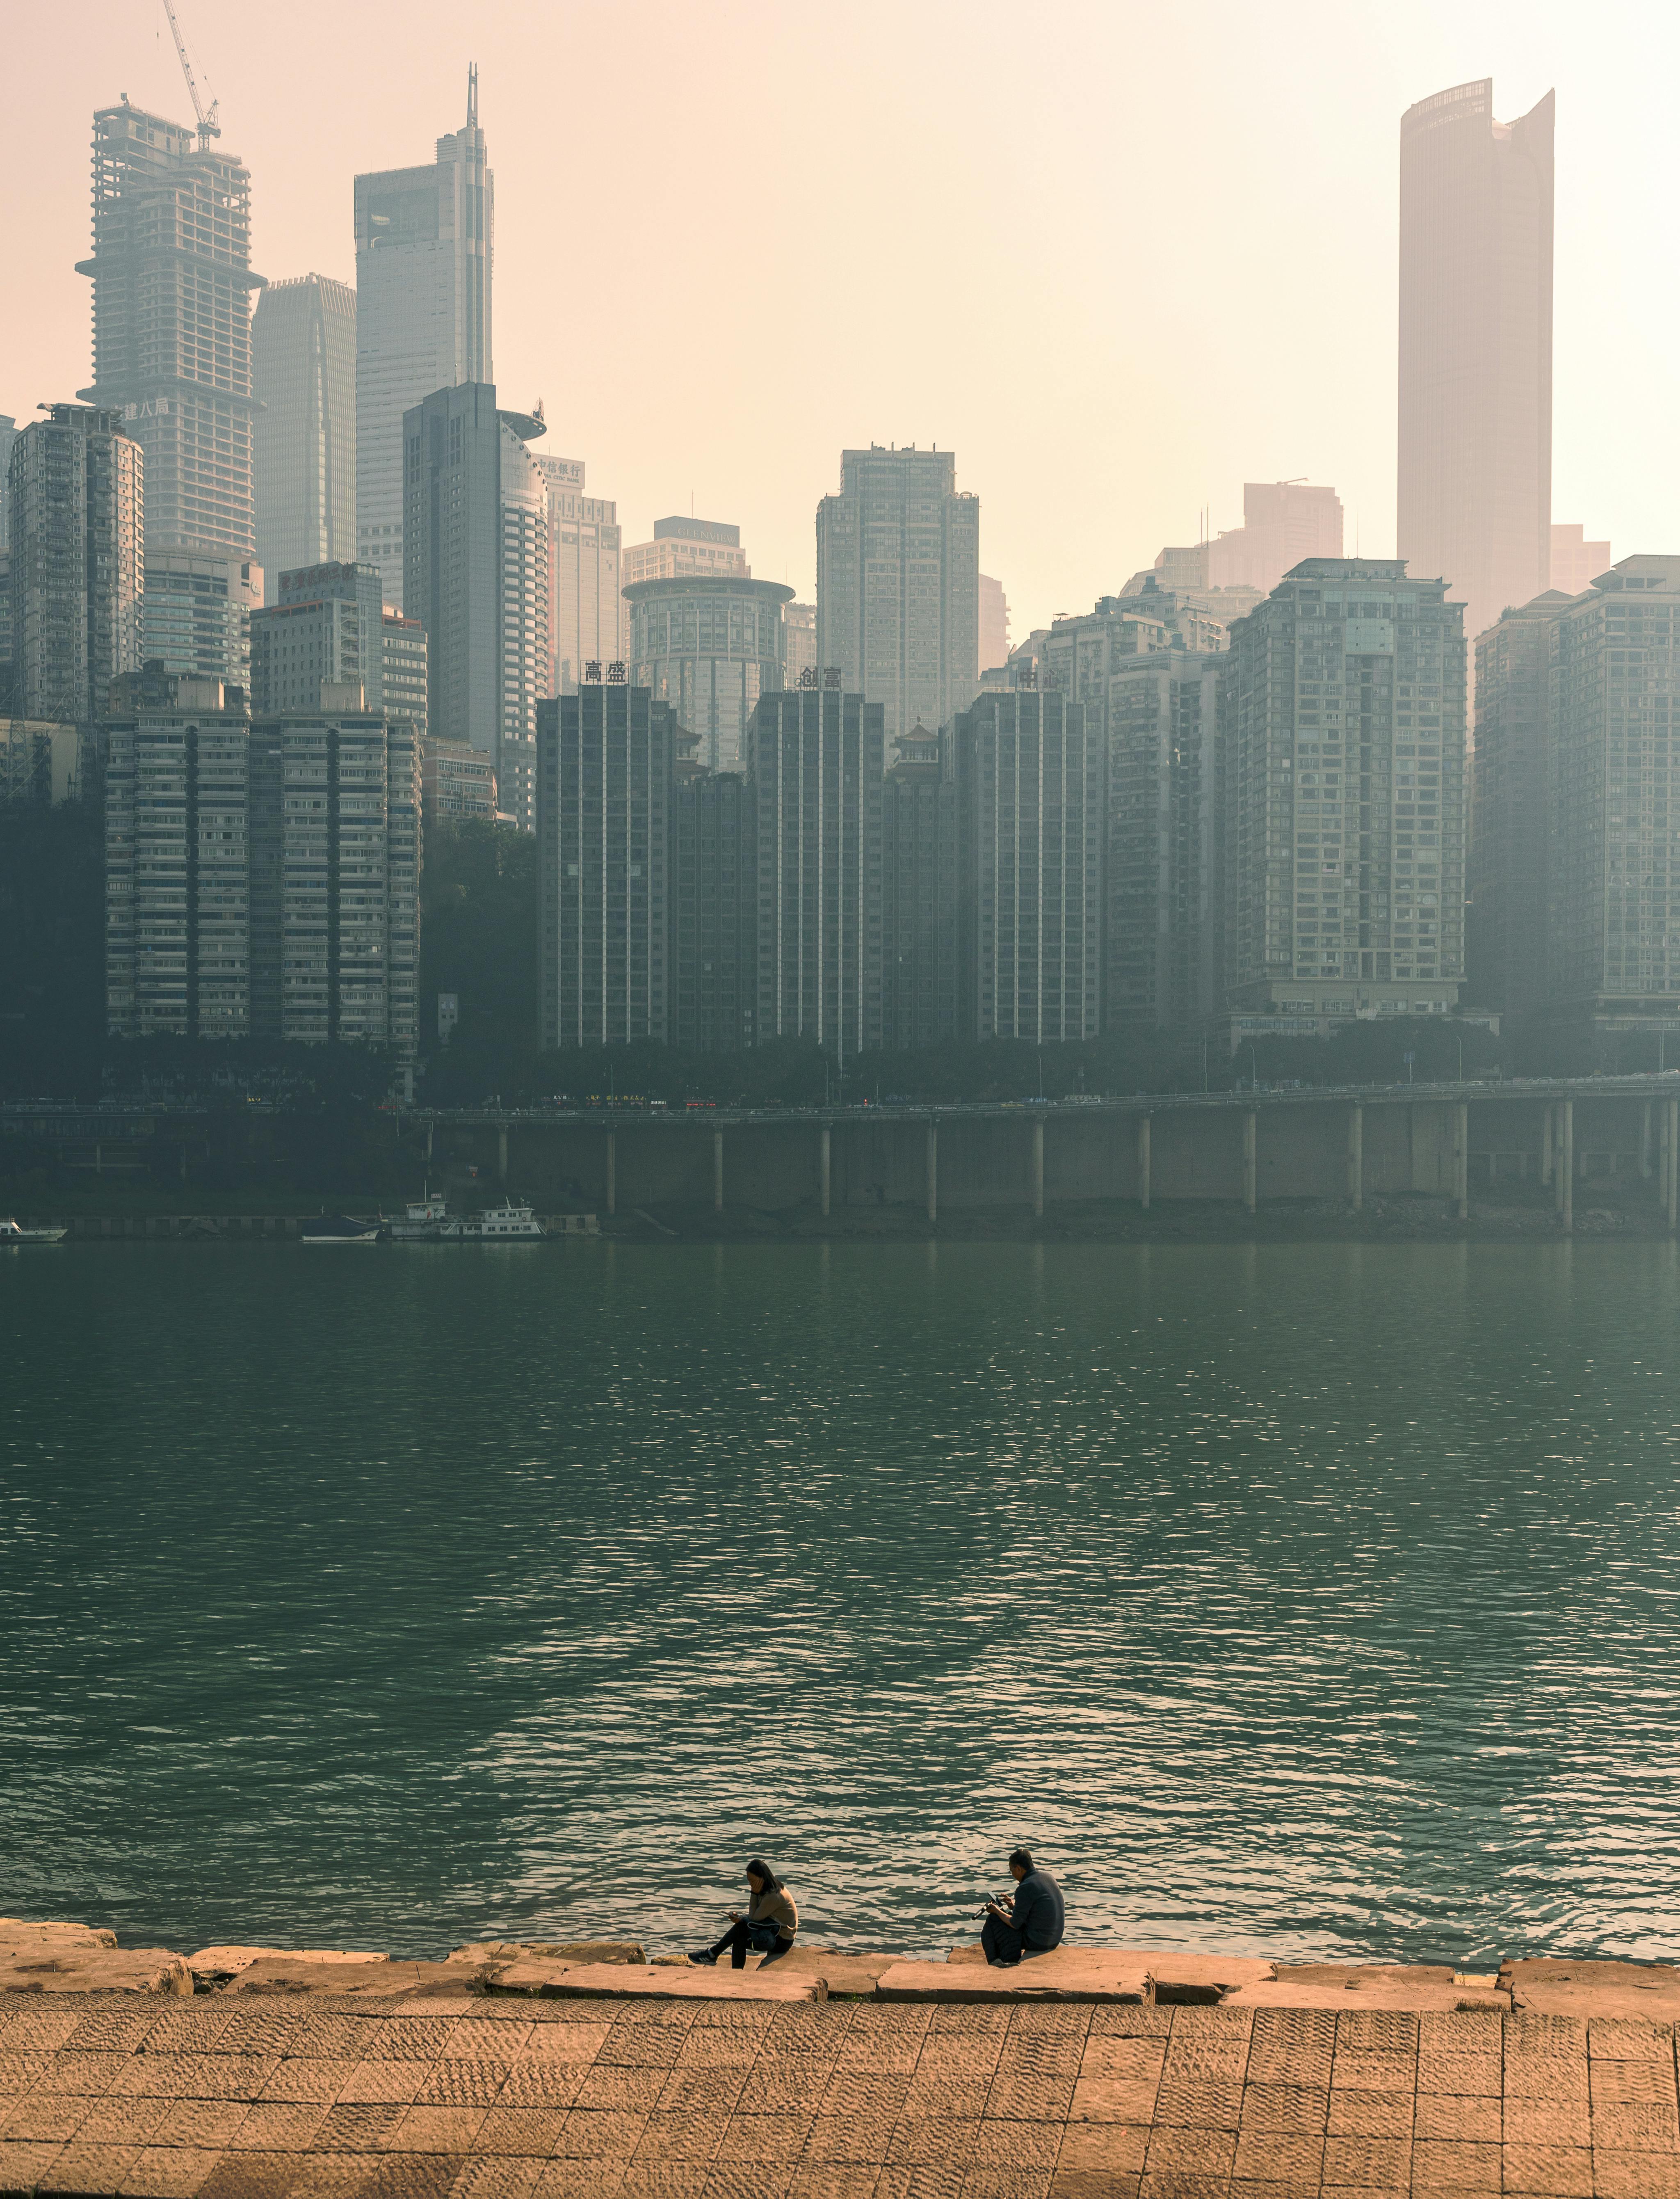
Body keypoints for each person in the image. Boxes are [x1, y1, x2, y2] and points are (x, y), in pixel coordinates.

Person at [689, 1858, 799, 1968]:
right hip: (772, 1930)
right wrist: (741, 1918)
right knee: (739, 1939)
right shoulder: (767, 1889)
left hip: (781, 1940)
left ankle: (712, 1954)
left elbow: (754, 1918)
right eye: (749, 1881)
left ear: (763, 1878)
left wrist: (754, 1894)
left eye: (753, 1881)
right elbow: (758, 1917)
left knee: (742, 1926)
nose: (751, 1884)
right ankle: (734, 1972)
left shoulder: (774, 1896)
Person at [981, 1848, 1064, 1966]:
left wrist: (996, 1911)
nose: (1013, 1875)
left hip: (1039, 1942)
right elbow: (1036, 1912)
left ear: (1019, 1869)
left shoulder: (1025, 1887)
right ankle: (1000, 1961)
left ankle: (997, 1962)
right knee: (1003, 1916)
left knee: (993, 1920)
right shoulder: (1047, 1877)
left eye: (1012, 1871)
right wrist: (1014, 1906)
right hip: (1054, 1939)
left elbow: (1015, 1924)